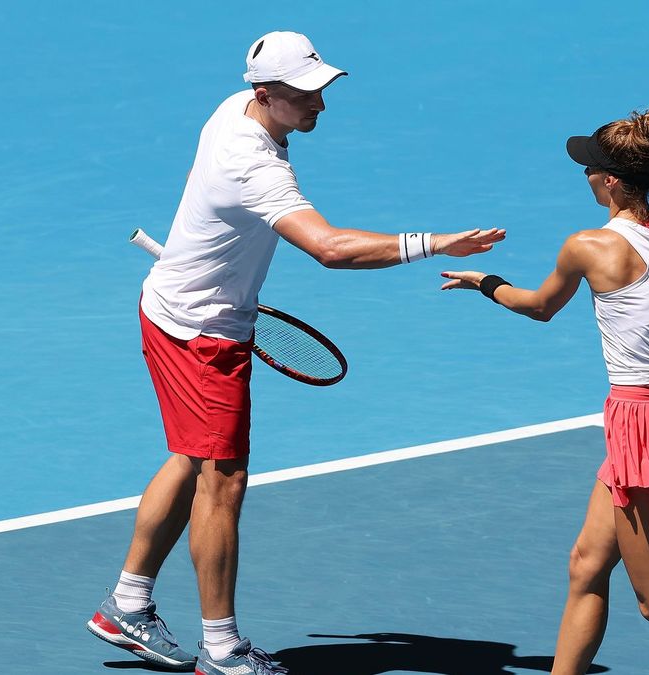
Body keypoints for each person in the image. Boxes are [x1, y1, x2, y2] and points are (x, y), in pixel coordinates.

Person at [85, 31, 505, 675]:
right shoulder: (253, 165)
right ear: (266, 93)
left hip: (171, 308)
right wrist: (435, 243)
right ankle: (222, 650)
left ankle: (127, 603)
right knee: (223, 484)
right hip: (203, 335)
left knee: (192, 457)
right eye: (307, 95)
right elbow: (331, 249)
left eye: (321, 89)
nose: (321, 106)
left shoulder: (234, 106)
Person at [440, 109, 649, 674]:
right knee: (586, 565)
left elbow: (539, 307)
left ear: (612, 182)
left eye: (590, 169)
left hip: (641, 425)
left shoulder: (589, 246)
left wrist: (486, 281)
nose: (585, 177)